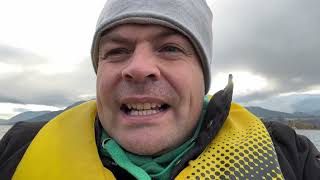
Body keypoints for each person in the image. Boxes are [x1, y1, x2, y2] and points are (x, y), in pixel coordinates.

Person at [0, 0, 319, 179]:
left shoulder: (291, 157)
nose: (138, 68)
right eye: (116, 51)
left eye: (169, 48)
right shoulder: (18, 149)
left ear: (203, 75)